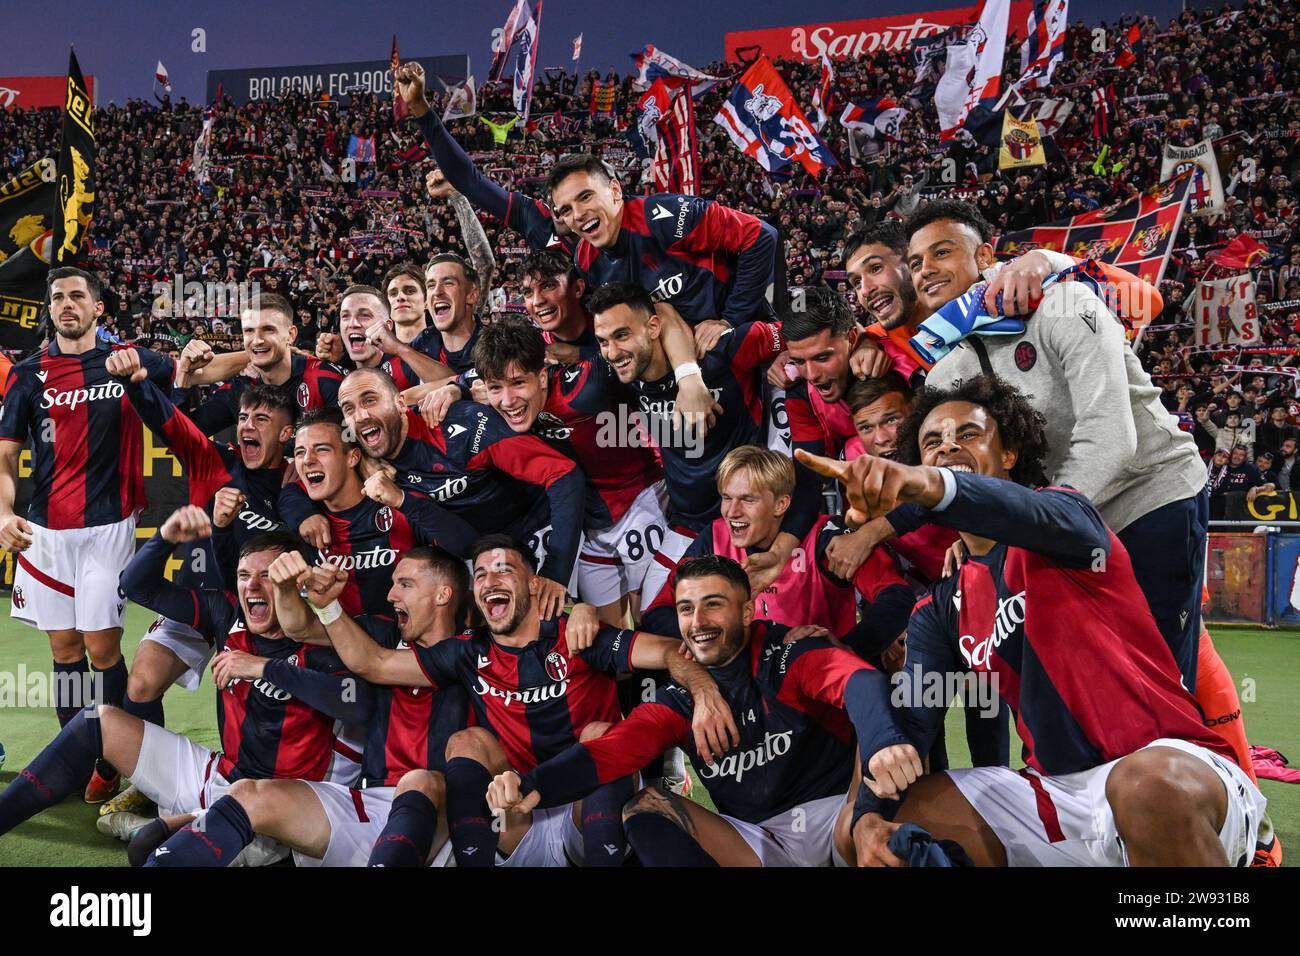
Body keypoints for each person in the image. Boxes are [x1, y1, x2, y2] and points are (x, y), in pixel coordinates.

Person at [797, 375, 1266, 867]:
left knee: (1145, 786)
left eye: (969, 434)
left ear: (1010, 455)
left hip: (1178, 769)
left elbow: (1024, 512)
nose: (948, 446)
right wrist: (871, 814)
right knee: (879, 826)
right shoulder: (939, 609)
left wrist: (927, 483)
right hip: (1058, 795)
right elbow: (914, 719)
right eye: (931, 442)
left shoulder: (1066, 519)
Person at [906, 200, 1210, 692]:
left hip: (1148, 501)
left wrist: (1038, 526)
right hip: (1064, 528)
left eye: (942, 252)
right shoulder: (945, 370)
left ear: (985, 258)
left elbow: (1112, 439)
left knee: (1159, 686)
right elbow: (985, 466)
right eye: (916, 263)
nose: (926, 271)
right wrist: (974, 532)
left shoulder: (1066, 302)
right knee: (1090, 689)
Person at [291, 533, 733, 867]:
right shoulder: (468, 652)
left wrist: (705, 691)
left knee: (601, 734)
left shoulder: (577, 637)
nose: (489, 581)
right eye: (480, 574)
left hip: (584, 814)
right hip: (514, 816)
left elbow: (670, 651)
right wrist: (328, 607)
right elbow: (375, 664)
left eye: (503, 570)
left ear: (533, 584)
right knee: (467, 741)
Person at [487, 554, 907, 867]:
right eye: (686, 609)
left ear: (746, 610)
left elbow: (863, 683)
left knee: (897, 774)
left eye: (713, 604)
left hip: (843, 816)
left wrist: (886, 745)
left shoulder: (786, 653)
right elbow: (609, 752)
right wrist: (530, 784)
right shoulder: (678, 700)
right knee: (646, 805)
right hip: (758, 840)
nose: (697, 621)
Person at [0, 512, 369, 868]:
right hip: (223, 776)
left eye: (267, 576)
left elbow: (358, 705)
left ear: (295, 582)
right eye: (243, 575)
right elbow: (134, 584)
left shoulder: (332, 634)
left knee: (146, 848)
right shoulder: (228, 612)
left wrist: (265, 669)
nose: (251, 586)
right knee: (98, 721)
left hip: (287, 808)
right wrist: (165, 537)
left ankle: (170, 826)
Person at [396, 60, 743, 431]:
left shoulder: (630, 228)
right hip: (581, 352)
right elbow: (471, 179)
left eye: (583, 200)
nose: (574, 216)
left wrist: (726, 323)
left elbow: (673, 296)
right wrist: (421, 110)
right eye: (563, 207)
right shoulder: (538, 220)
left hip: (630, 346)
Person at [142, 547, 474, 867]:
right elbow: (299, 627)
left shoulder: (472, 654)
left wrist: (267, 666)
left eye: (405, 584)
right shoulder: (380, 632)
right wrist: (289, 588)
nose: (391, 596)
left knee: (421, 781)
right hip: (363, 804)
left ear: (443, 594)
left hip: (437, 817)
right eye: (392, 584)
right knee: (246, 794)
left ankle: (221, 829)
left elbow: (373, 664)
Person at [0, 267, 178, 802]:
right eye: (57, 297)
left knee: (103, 648)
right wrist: (4, 513)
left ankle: (120, 756)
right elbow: (6, 455)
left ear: (98, 308)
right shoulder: (28, 375)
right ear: (50, 309)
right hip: (46, 533)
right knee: (64, 646)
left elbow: (190, 373)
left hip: (107, 528)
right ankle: (79, 753)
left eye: (78, 295)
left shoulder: (128, 358)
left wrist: (246, 353)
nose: (66, 304)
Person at [586, 282, 818, 607]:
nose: (612, 352)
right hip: (690, 525)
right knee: (654, 616)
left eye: (622, 336)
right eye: (603, 342)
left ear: (654, 328)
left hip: (752, 523)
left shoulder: (720, 350)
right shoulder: (619, 376)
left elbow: (802, 332)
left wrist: (785, 354)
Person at [327, 367, 587, 617]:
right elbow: (465, 545)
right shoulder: (377, 468)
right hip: (485, 553)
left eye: (370, 401)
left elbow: (564, 476)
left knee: (574, 630)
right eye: (349, 410)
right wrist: (402, 500)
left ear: (399, 403)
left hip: (543, 531)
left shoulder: (461, 424)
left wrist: (556, 571)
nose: (360, 416)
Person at [464, 315, 668, 623]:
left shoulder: (587, 386)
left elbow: (644, 350)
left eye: (519, 383)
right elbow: (464, 379)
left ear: (543, 377)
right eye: (496, 388)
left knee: (652, 622)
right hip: (591, 527)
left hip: (641, 501)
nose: (508, 401)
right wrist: (455, 390)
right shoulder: (490, 398)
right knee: (605, 638)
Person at [639, 446, 913, 665]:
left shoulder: (825, 537)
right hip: (746, 686)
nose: (732, 512)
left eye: (747, 499)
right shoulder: (715, 537)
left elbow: (896, 596)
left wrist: (849, 648)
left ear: (781, 504)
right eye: (726, 497)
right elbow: (658, 613)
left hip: (817, 681)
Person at [280, 409, 477, 618]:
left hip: (405, 641)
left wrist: (403, 501)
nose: (307, 460)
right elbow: (288, 494)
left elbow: (468, 546)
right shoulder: (302, 508)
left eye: (321, 450)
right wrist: (301, 516)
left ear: (353, 457)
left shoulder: (396, 503)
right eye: (300, 452)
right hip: (339, 642)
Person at [190, 292, 345, 433]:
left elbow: (352, 445)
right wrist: (184, 377)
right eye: (249, 331)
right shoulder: (242, 387)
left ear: (291, 335)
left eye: (269, 329)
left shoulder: (325, 378)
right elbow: (185, 433)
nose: (257, 340)